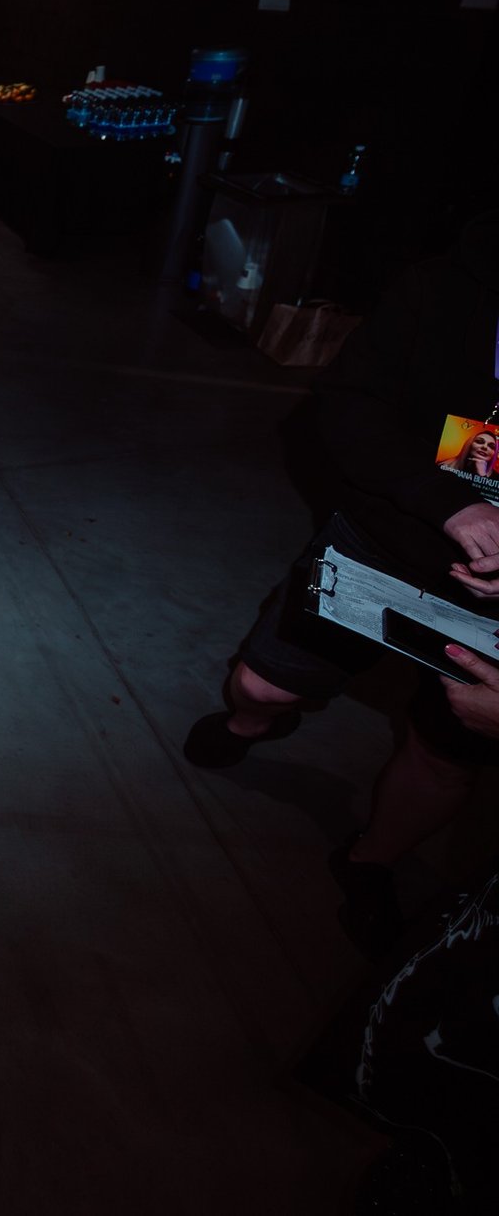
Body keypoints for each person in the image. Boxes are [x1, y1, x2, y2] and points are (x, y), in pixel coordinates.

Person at [185, 210, 499, 953]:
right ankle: (254, 723)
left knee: (444, 754)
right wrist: (450, 505)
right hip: (390, 541)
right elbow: (349, 405)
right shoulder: (440, 290)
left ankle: (369, 859)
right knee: (263, 683)